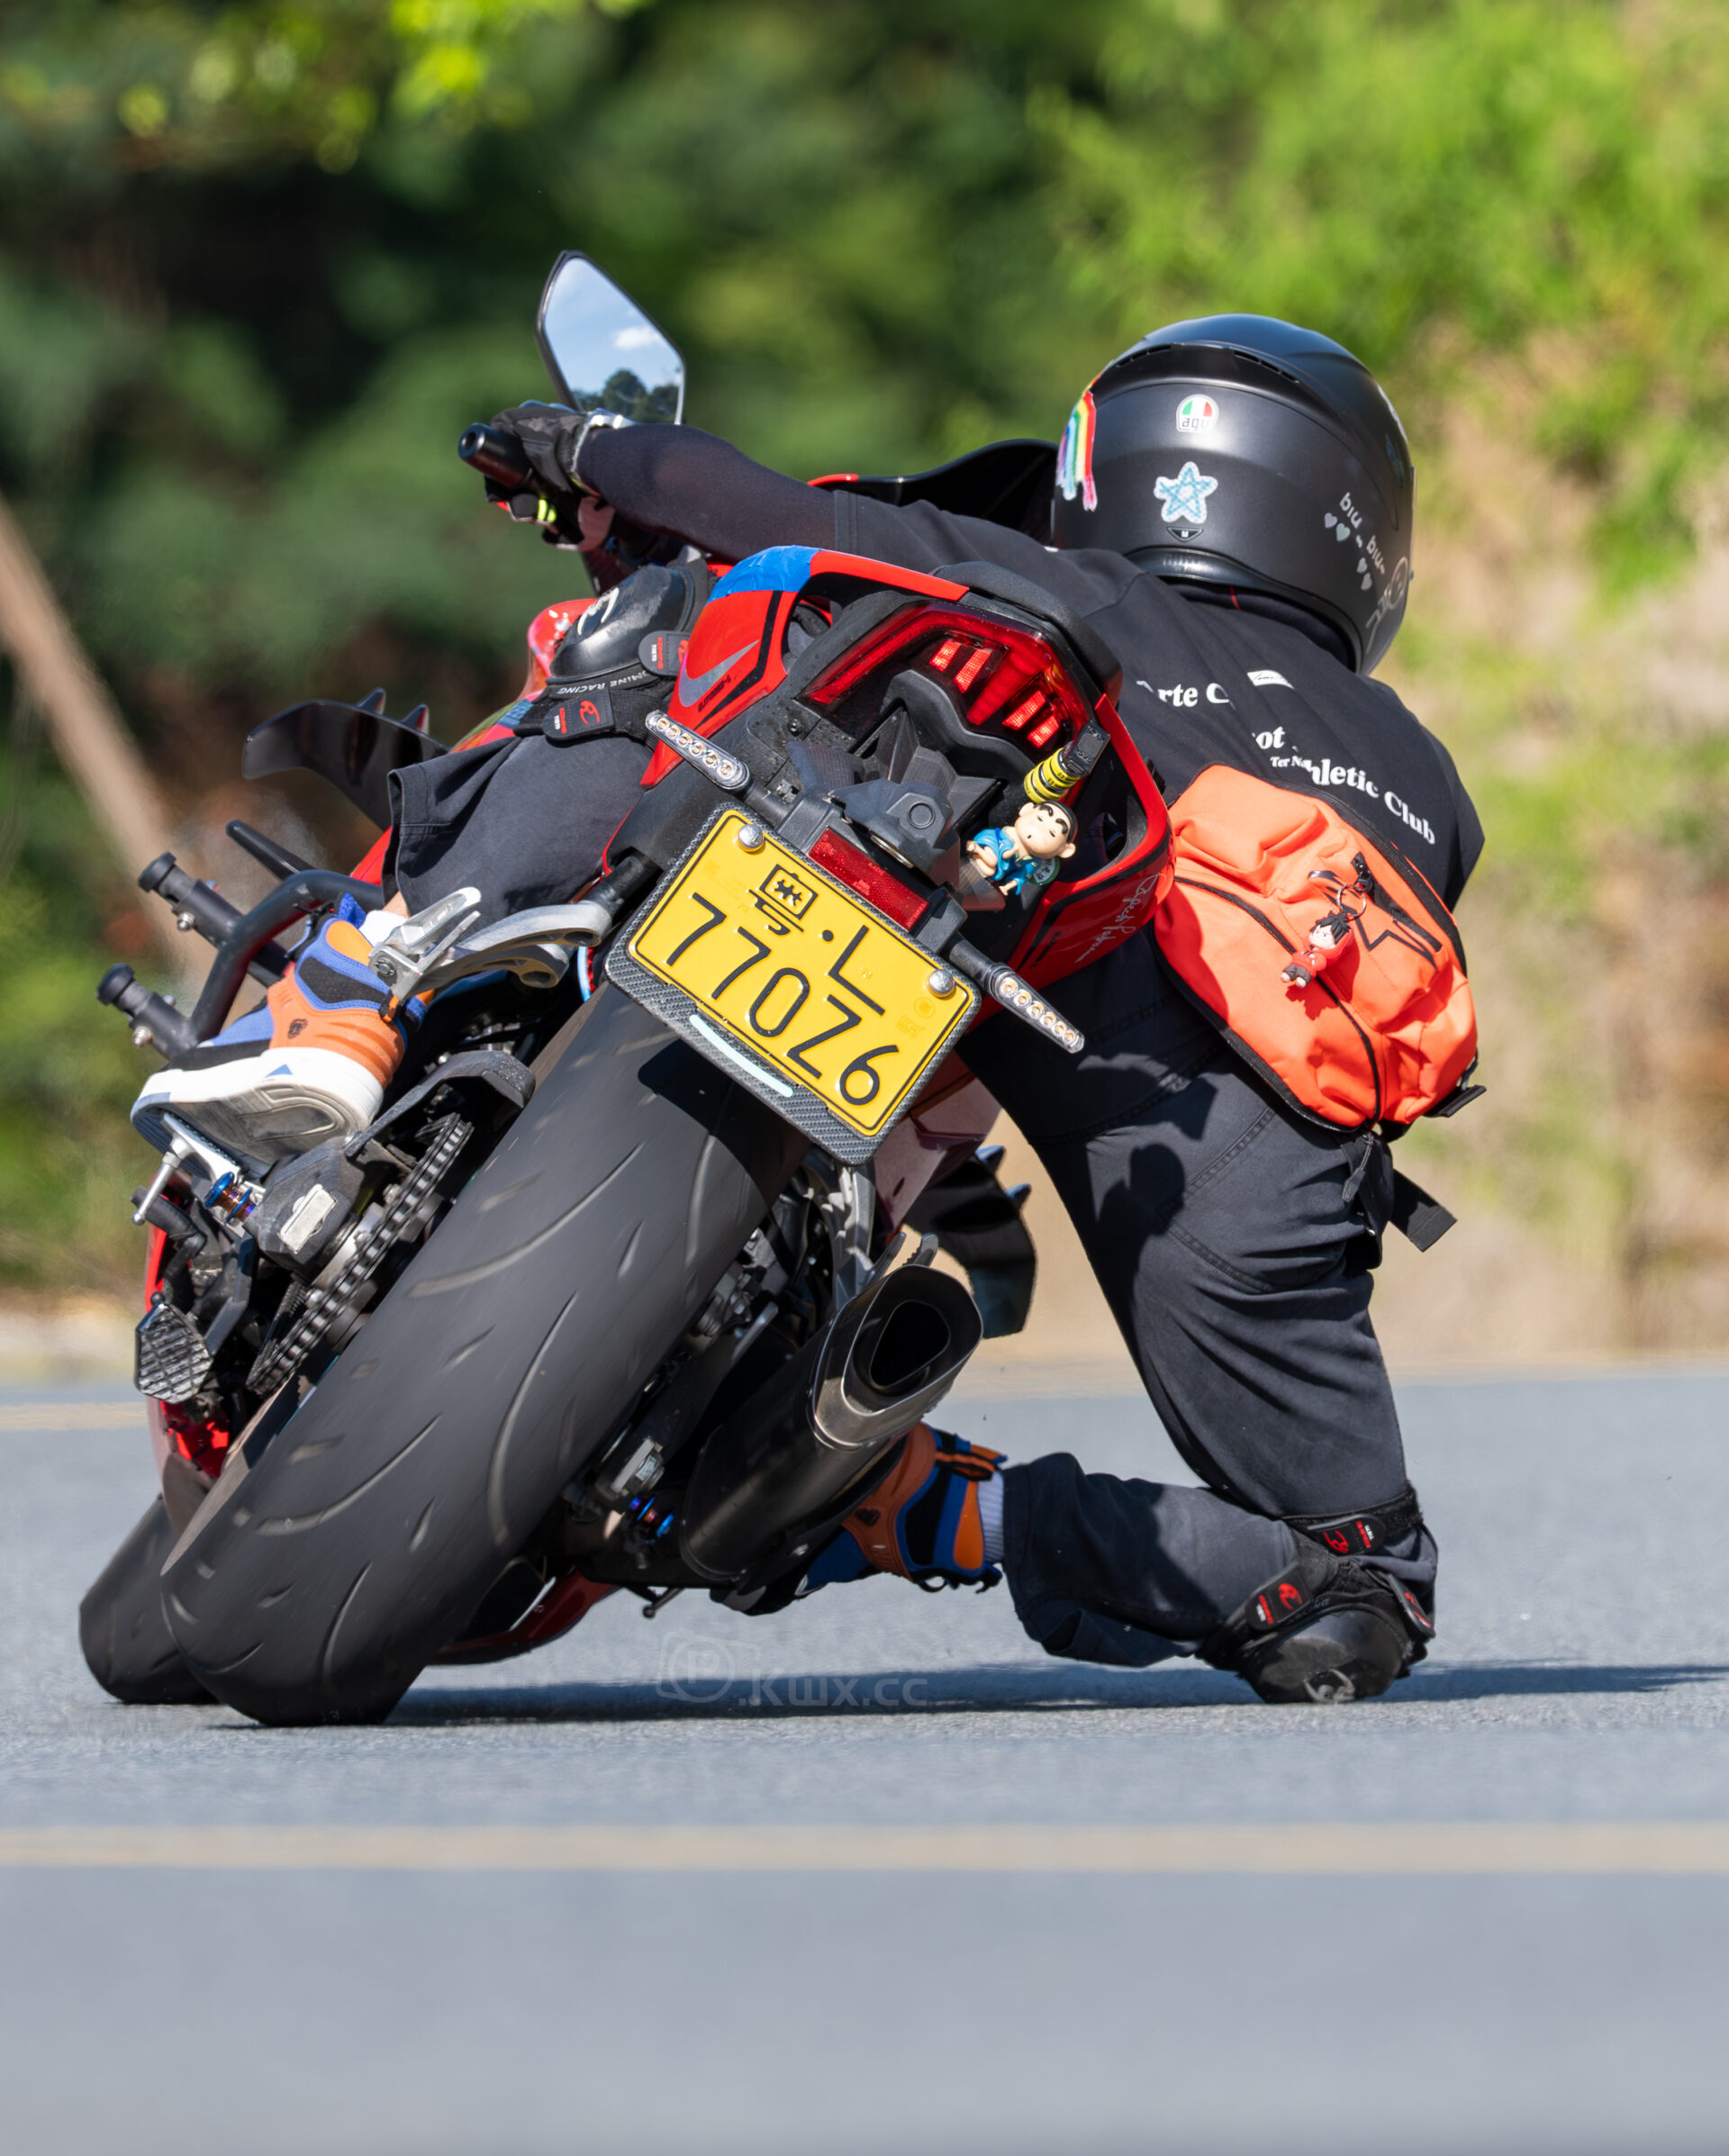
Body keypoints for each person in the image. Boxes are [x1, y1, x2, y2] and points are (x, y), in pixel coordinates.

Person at [132, 314, 1480, 1706]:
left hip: (974, 896)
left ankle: (346, 999)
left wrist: (584, 449)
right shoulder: (1422, 777)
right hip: (1223, 1123)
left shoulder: (1047, 576)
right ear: (1357, 542)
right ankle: (912, 1502)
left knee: (666, 631)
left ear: (1109, 469)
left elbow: (739, 502)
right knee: (1357, 1583)